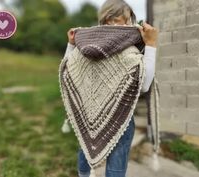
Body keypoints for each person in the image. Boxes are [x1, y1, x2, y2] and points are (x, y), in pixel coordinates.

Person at [62, 0, 158, 176]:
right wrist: (151, 45)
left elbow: (67, 73)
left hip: (87, 115)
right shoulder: (128, 51)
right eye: (125, 20)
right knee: (115, 170)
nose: (126, 25)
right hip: (120, 119)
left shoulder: (84, 48)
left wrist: (71, 45)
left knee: (85, 150)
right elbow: (143, 85)